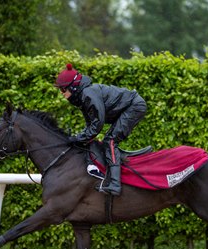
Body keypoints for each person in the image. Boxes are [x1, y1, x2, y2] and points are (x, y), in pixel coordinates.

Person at [54, 63, 147, 196]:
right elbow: (90, 125)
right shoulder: (81, 97)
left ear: (73, 87)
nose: (62, 93)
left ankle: (115, 184)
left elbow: (97, 125)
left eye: (63, 90)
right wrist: (80, 138)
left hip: (134, 106)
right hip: (127, 107)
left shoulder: (88, 94)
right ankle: (113, 168)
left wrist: (76, 138)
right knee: (103, 140)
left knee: (110, 141)